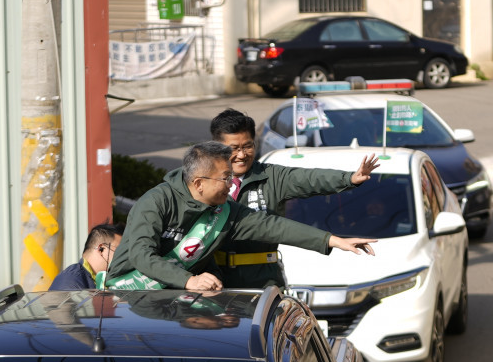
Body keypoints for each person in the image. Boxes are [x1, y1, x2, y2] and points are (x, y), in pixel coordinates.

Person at [104, 142, 377, 291]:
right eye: (225, 178)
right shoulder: (156, 201)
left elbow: (272, 226)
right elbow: (142, 255)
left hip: (176, 300)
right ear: (198, 183)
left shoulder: (225, 211)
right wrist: (190, 281)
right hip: (132, 297)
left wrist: (331, 240)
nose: (231, 184)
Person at [209, 108, 379, 288]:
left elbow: (309, 179)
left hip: (263, 279)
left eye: (247, 146)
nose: (242, 155)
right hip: (215, 278)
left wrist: (349, 178)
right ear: (217, 147)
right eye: (234, 149)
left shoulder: (272, 176)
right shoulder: (204, 180)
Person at [49, 222, 123, 290]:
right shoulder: (71, 280)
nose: (124, 257)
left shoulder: (97, 281)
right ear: (101, 249)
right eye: (120, 251)